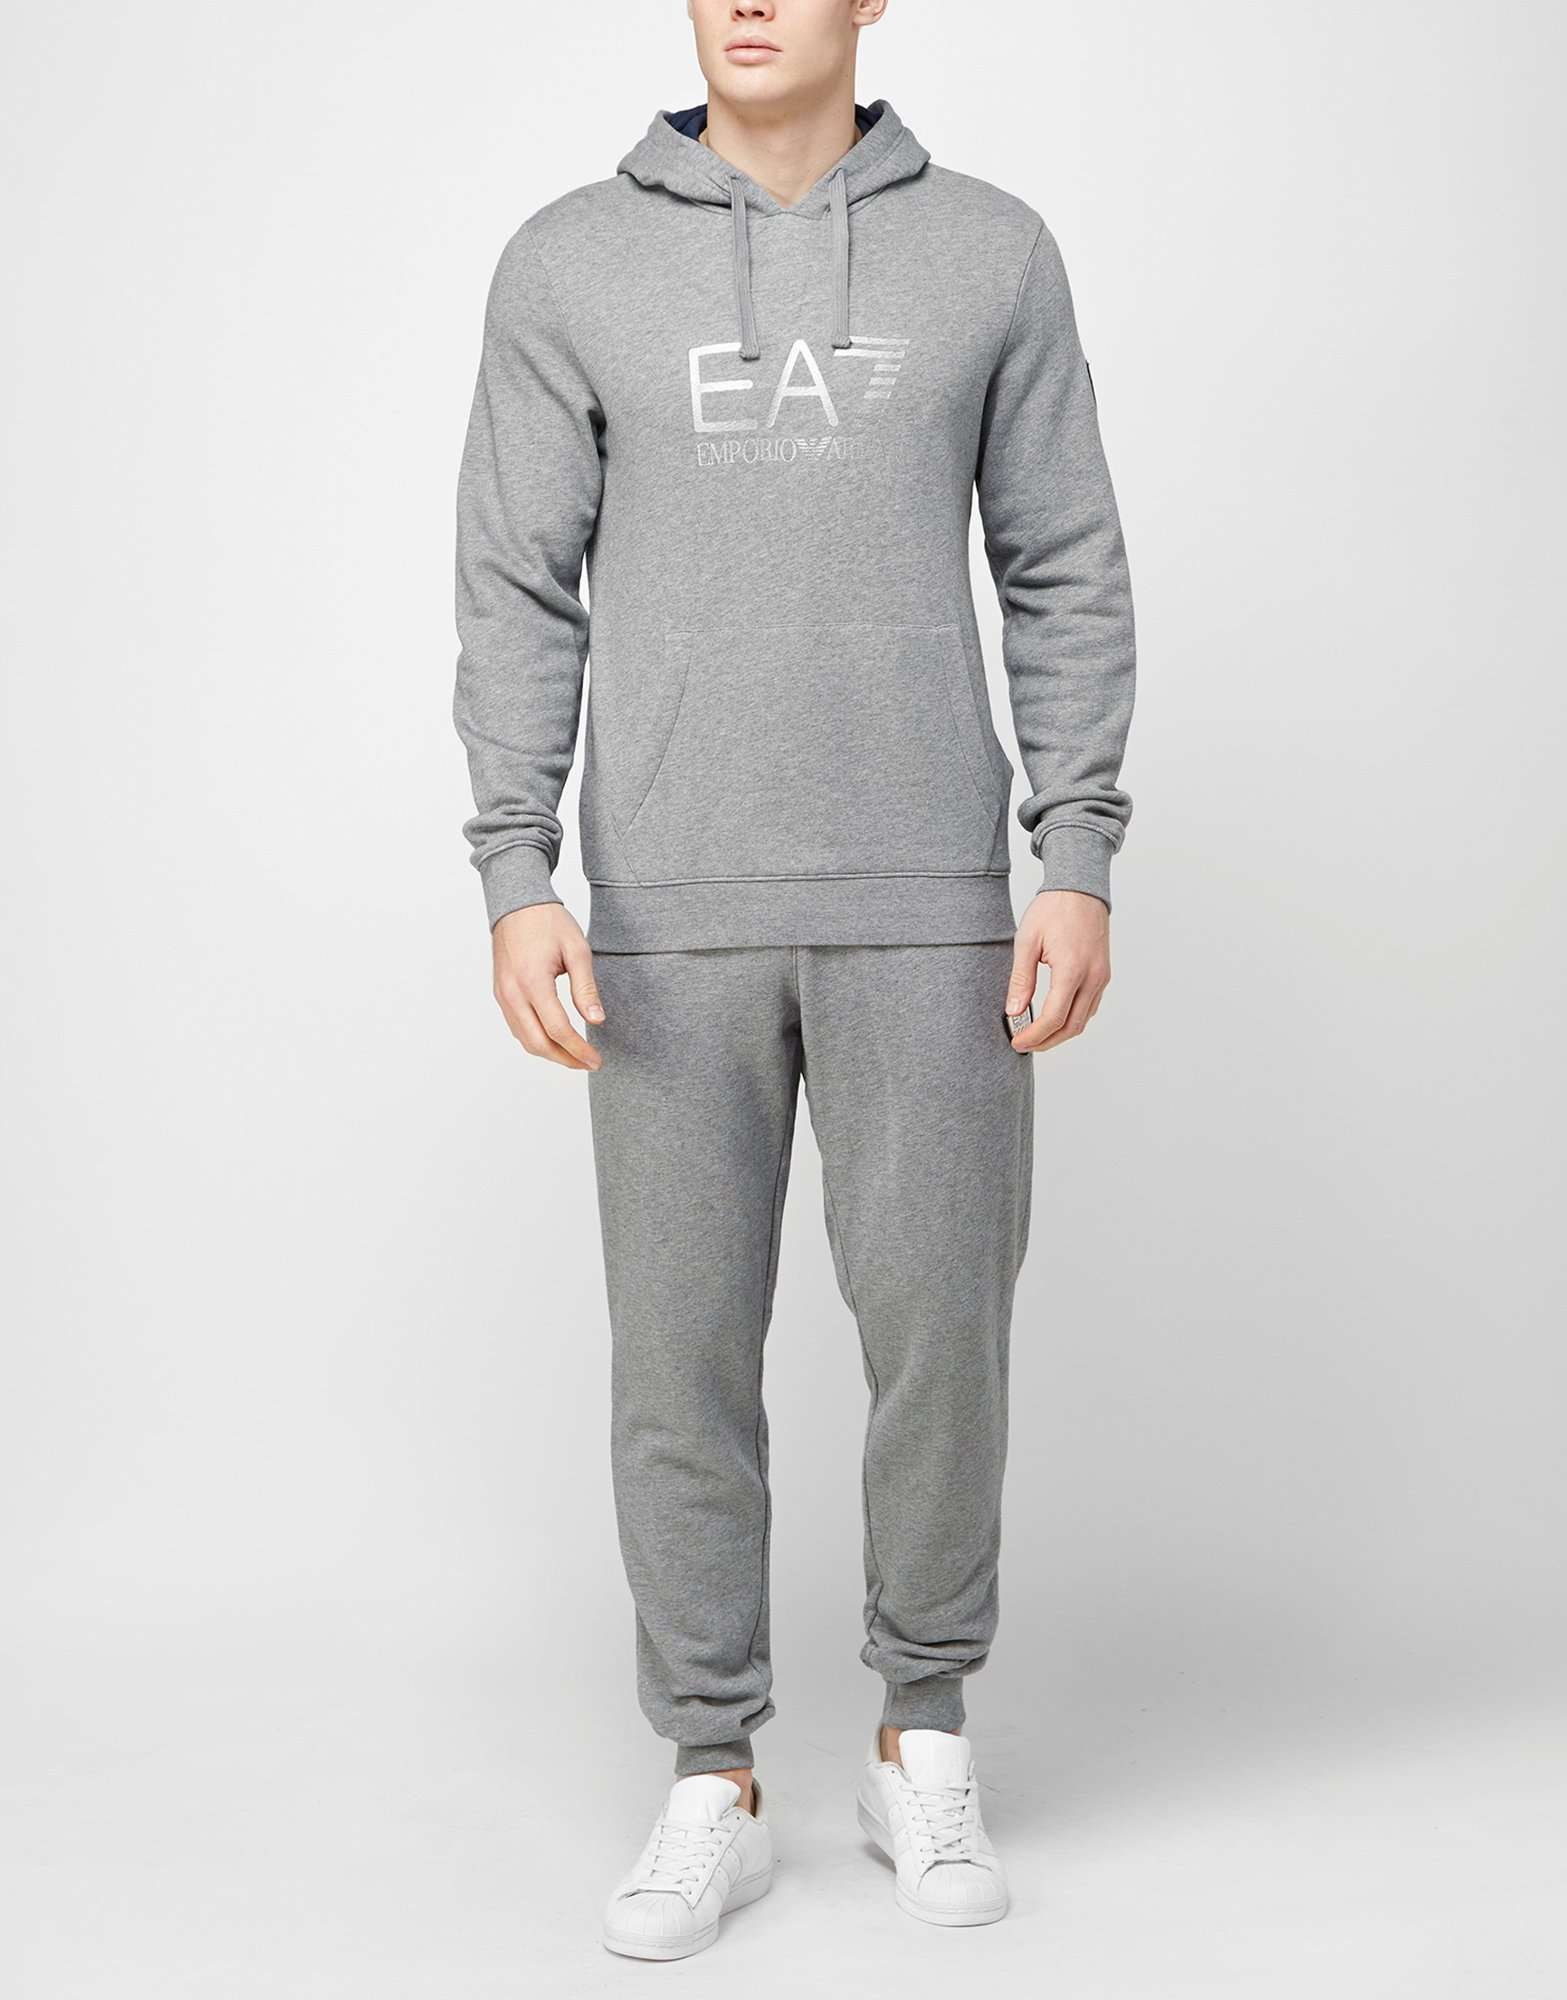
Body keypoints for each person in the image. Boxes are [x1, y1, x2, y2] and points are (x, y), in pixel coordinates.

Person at [453, 0, 1135, 1959]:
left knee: (942, 1341)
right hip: (668, 911)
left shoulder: (990, 252)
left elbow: (1063, 562)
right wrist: (516, 869)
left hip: (932, 898)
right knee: (679, 1357)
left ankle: (924, 1734)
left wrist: (1074, 850)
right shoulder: (569, 263)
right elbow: (517, 580)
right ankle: (713, 1775)